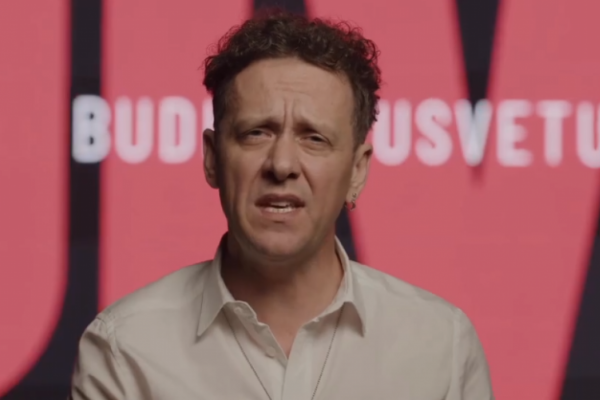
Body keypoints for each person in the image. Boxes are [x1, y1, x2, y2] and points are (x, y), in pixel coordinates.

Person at [70, 10, 494, 400]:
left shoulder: (442, 346)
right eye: (256, 133)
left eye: (314, 138)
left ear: (357, 170)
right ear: (213, 158)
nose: (282, 164)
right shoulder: (125, 349)